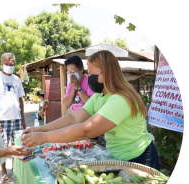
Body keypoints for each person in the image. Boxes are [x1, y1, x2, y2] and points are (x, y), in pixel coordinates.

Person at [21, 50, 160, 171]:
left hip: (140, 158)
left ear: (108, 73)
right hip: (118, 158)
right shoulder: (99, 96)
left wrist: (44, 138)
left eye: (93, 74)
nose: (89, 79)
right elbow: (73, 118)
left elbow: (87, 130)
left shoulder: (120, 99)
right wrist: (41, 130)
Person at [0, 53, 27, 183]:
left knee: (17, 145)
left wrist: (23, 120)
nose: (9, 66)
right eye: (6, 63)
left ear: (15, 64)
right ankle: (3, 172)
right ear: (1, 63)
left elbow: (20, 100)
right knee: (3, 146)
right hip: (2, 118)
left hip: (16, 118)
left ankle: (15, 168)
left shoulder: (16, 79)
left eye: (11, 64)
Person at [63, 55, 99, 142]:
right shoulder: (71, 84)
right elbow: (66, 105)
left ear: (81, 69)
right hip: (76, 125)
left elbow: (90, 103)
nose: (71, 75)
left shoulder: (89, 81)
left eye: (73, 71)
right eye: (69, 72)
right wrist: (73, 88)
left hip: (89, 126)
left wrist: (78, 87)